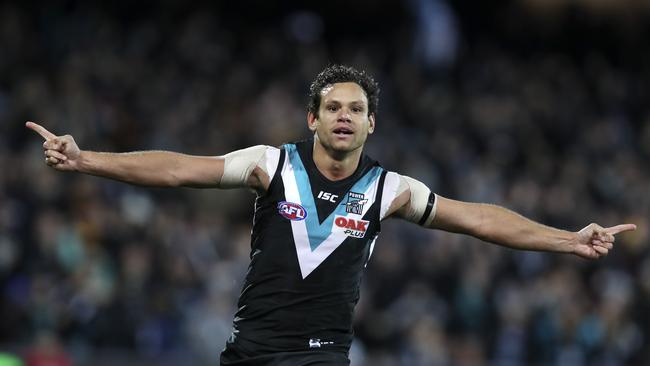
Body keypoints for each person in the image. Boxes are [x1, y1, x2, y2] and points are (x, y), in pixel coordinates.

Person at [27, 65, 636, 366]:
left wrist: (566, 242)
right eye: (332, 106)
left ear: (372, 124)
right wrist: (87, 161)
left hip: (323, 356)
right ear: (312, 119)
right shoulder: (272, 163)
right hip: (251, 352)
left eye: (357, 108)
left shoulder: (388, 188)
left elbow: (478, 219)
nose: (344, 115)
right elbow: (181, 168)